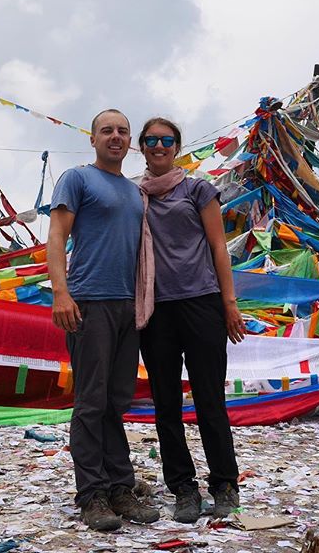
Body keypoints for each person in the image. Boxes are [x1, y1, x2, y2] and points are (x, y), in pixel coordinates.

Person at [47, 109, 160, 532]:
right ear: (92, 139)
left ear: (130, 142)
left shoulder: (135, 193)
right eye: (106, 130)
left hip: (127, 308)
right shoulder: (77, 179)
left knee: (116, 402)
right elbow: (57, 236)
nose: (115, 137)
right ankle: (91, 495)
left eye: (122, 131)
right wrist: (61, 292)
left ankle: (120, 488)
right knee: (91, 402)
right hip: (88, 303)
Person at [136, 117, 245, 523]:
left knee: (209, 400)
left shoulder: (198, 189)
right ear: (142, 147)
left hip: (202, 302)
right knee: (166, 404)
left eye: (166, 140)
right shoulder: (135, 197)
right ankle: (183, 488)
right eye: (151, 140)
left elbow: (219, 247)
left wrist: (229, 303)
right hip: (156, 310)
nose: (159, 146)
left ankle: (224, 484)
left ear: (177, 146)